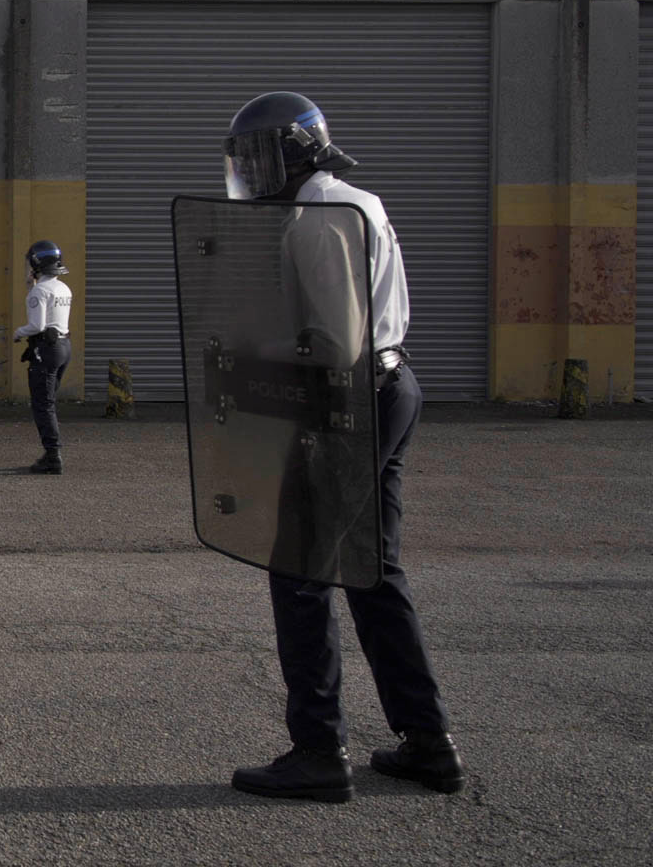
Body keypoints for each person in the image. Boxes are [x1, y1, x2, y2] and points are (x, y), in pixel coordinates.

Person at [220, 91, 466, 803]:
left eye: (260, 157)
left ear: (293, 152)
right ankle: (428, 742)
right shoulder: (354, 198)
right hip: (394, 386)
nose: (253, 172)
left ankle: (319, 751)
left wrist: (251, 358)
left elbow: (335, 344)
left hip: (349, 402)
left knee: (301, 570)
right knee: (375, 571)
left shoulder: (317, 219)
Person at [14, 240, 72, 474]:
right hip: (64, 346)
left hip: (46, 350)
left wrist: (18, 333)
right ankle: (52, 452)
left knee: (43, 405)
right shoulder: (63, 288)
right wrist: (31, 287)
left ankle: (52, 455)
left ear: (37, 263)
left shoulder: (39, 291)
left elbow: (37, 324)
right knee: (49, 402)